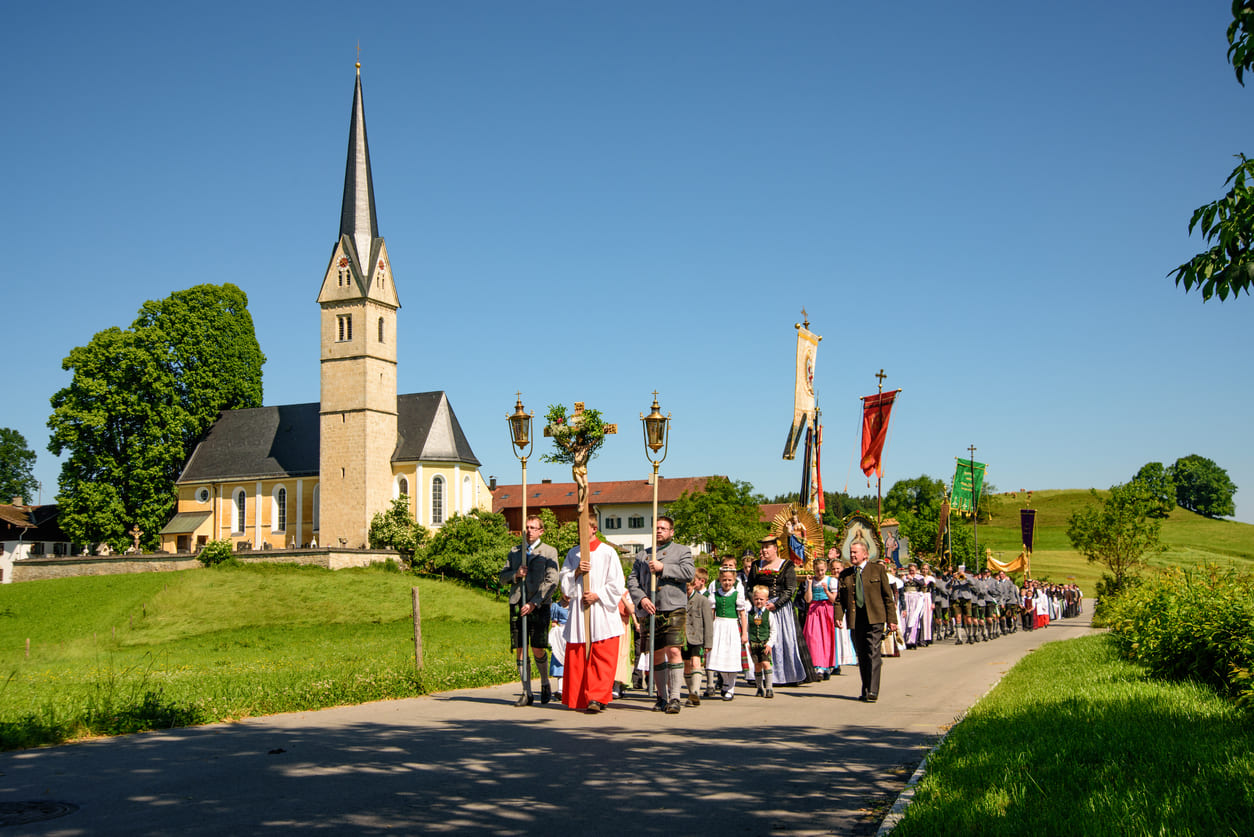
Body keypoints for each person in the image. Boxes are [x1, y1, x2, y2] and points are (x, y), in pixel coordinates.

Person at [627, 515, 695, 714]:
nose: (659, 531)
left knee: (674, 651)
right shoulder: (642, 555)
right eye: (656, 528)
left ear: (671, 532)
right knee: (655, 654)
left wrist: (663, 567)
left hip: (673, 607)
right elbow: (632, 581)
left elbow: (688, 573)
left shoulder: (682, 551)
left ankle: (675, 696)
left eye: (663, 528)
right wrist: (641, 598)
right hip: (650, 609)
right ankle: (661, 696)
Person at [559, 517, 626, 713]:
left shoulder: (607, 552)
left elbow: (617, 583)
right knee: (579, 654)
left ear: (594, 528)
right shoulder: (573, 554)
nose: (579, 532)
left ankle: (597, 697)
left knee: (601, 657)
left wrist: (598, 595)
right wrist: (576, 572)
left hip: (602, 611)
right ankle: (579, 696)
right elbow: (564, 582)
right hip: (580, 612)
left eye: (583, 527)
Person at [498, 514, 560, 706]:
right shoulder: (515, 551)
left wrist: (534, 602)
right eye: (527, 527)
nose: (529, 531)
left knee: (537, 647)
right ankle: (526, 691)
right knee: (520, 648)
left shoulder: (549, 552)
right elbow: (503, 577)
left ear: (541, 531)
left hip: (539, 605)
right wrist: (515, 574)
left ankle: (544, 683)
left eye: (533, 528)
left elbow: (553, 580)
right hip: (517, 603)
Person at [832, 538, 898, 703]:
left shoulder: (877, 570)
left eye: (855, 552)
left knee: (873, 652)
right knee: (862, 655)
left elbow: (887, 596)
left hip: (875, 617)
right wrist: (838, 617)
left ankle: (873, 690)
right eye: (851, 552)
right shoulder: (846, 574)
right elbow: (840, 599)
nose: (852, 555)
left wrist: (892, 619)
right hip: (856, 619)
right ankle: (866, 688)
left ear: (865, 554)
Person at [748, 534, 816, 686]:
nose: (764, 550)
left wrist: (776, 604)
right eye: (762, 547)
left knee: (783, 640)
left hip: (780, 608)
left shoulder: (786, 565)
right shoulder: (756, 565)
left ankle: (788, 675)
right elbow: (749, 587)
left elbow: (790, 589)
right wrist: (757, 602)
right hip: (761, 608)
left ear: (775, 549)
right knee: (761, 640)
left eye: (767, 547)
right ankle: (762, 675)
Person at [707, 567, 749, 700]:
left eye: (730, 580)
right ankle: (725, 681)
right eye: (724, 580)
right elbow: (711, 614)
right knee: (719, 656)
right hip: (718, 626)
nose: (727, 582)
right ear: (720, 580)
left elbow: (742, 614)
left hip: (732, 626)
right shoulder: (715, 594)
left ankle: (731, 687)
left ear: (734, 580)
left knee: (732, 657)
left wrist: (744, 633)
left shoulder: (737, 595)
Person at [803, 557, 839, 678]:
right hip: (814, 610)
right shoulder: (812, 581)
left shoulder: (831, 581)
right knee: (813, 638)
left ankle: (827, 666)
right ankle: (816, 665)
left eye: (822, 570)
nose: (820, 573)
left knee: (827, 637)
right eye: (818, 570)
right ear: (814, 570)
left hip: (826, 609)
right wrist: (808, 584)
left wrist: (826, 591)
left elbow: (834, 599)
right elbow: (808, 599)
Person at [683, 569, 713, 706]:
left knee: (696, 663)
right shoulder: (680, 599)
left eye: (688, 588)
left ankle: (695, 692)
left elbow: (708, 623)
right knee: (686, 666)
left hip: (697, 637)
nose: (687, 591)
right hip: (683, 638)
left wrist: (708, 643)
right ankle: (691, 692)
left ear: (694, 585)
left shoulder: (703, 600)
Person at [747, 585, 779, 697]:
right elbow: (747, 629)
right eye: (756, 599)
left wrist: (770, 644)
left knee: (766, 663)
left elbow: (773, 630)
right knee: (757, 665)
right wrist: (747, 643)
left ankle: (769, 688)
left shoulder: (769, 614)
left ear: (766, 600)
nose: (759, 601)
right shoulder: (749, 614)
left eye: (761, 599)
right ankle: (759, 687)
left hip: (764, 644)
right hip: (754, 644)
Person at [547, 602, 569, 704]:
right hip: (561, 635)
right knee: (560, 659)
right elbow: (554, 622)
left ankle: (571, 688)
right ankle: (560, 689)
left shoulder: (575, 604)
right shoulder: (557, 606)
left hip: (572, 633)